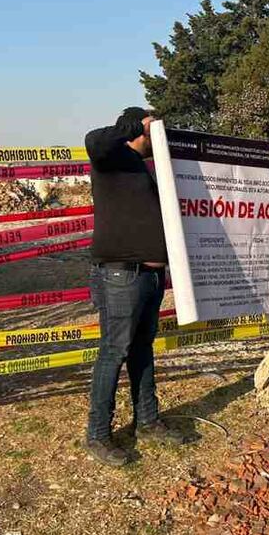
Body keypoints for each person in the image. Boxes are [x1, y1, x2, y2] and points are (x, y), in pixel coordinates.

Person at [84, 107, 186, 466]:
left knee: (142, 349)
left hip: (150, 276)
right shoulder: (112, 156)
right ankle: (98, 434)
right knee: (115, 352)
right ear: (140, 129)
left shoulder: (143, 166)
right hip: (121, 275)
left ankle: (148, 420)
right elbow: (92, 141)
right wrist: (131, 125)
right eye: (154, 131)